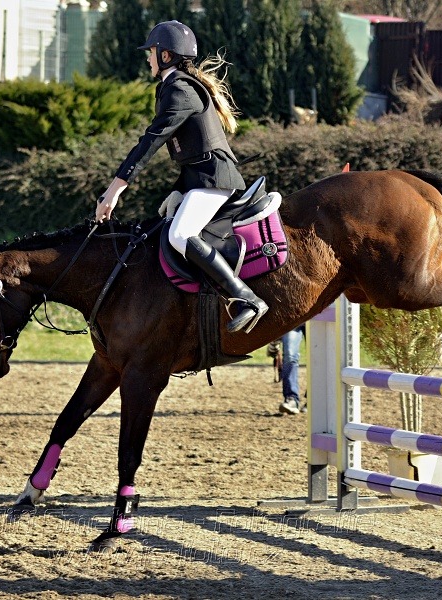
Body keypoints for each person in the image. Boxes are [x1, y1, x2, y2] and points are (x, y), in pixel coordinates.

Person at [94, 20, 268, 334]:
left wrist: (115, 189)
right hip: (201, 177)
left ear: (166, 56)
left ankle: (245, 297)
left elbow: (151, 140)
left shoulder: (180, 88)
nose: (147, 58)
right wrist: (179, 190)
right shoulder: (176, 86)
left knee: (179, 235)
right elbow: (189, 153)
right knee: (167, 222)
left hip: (216, 178)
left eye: (151, 52)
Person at [278, 324, 306, 414]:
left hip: (316, 317)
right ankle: (291, 399)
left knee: (317, 358)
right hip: (294, 318)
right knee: (289, 355)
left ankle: (314, 400)